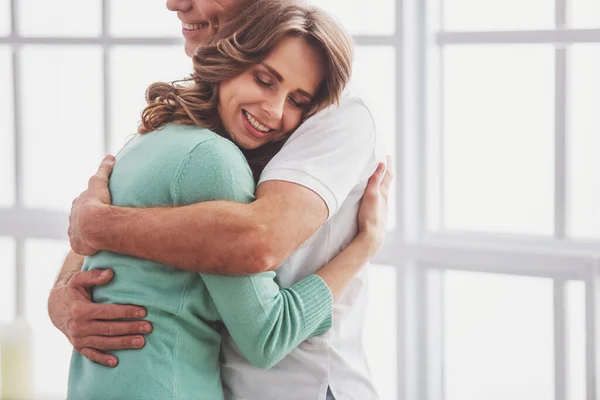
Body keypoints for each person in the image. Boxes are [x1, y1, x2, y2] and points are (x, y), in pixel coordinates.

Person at [49, 1, 392, 400]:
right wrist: (64, 288)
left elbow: (255, 241)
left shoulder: (338, 111)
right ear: (232, 56)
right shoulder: (209, 152)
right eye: (264, 80)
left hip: (300, 385)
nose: (276, 110)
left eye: (297, 100)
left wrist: (94, 225)